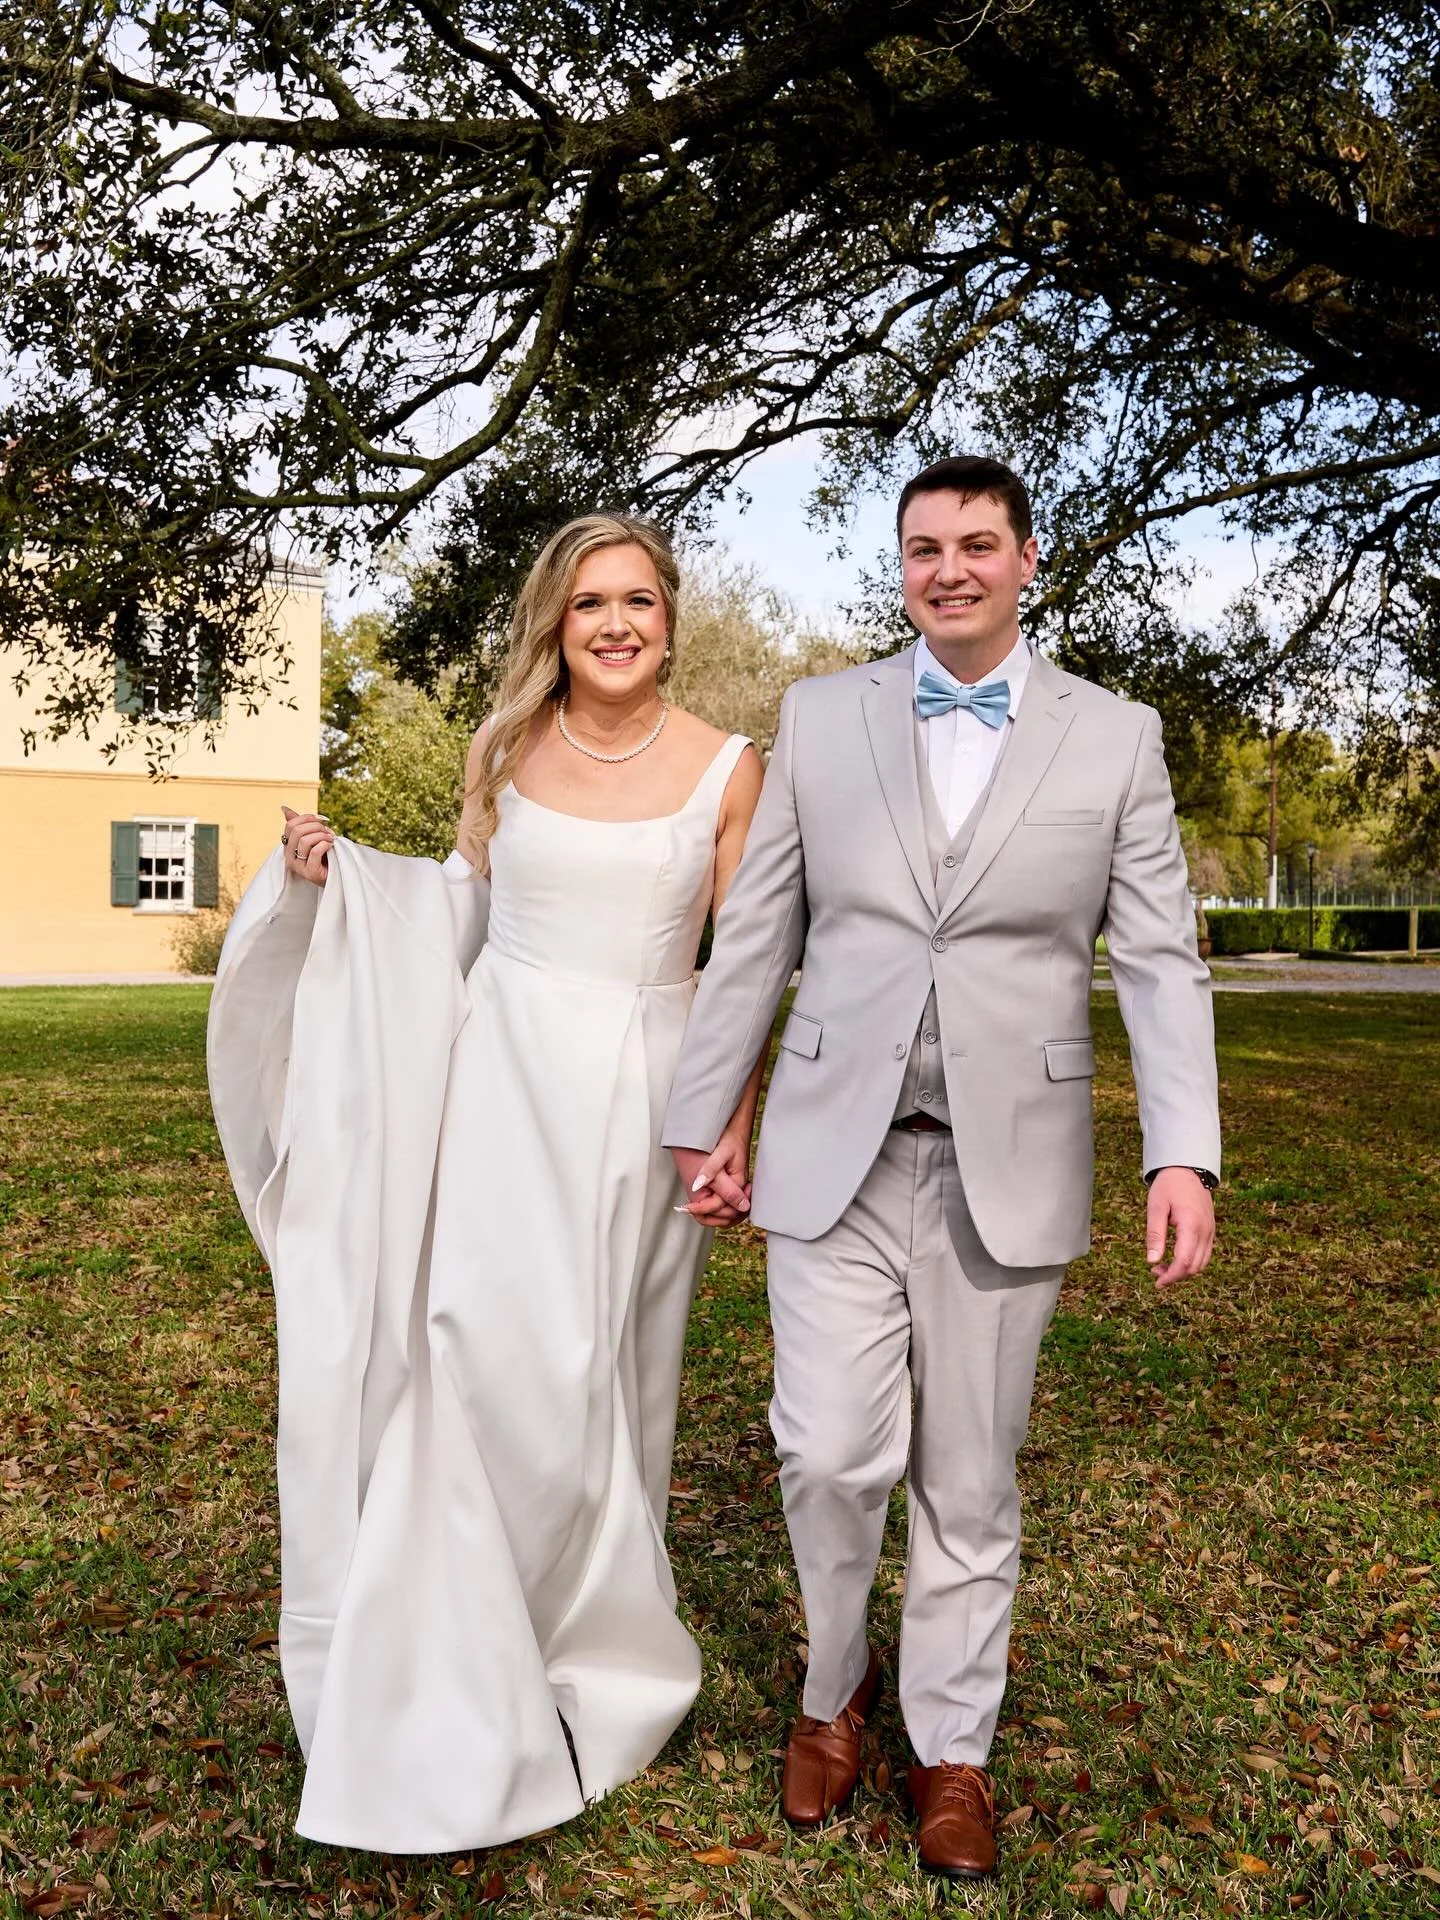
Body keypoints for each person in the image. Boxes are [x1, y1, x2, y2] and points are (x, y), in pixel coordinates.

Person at [663, 456, 1220, 1882]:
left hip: (1008, 1168)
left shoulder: (1118, 738)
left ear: (1031, 558)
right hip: (829, 1157)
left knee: (969, 1482)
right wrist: (701, 1110)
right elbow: (759, 938)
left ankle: (953, 1748)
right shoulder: (820, 718)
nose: (950, 569)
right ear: (900, 566)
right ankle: (831, 1687)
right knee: (828, 1454)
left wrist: (1185, 1154)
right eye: (924, 548)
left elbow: (1157, 960)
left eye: (979, 544)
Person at [208, 514, 763, 1853]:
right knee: (468, 1348)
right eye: (589, 606)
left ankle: (584, 1638)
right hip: (502, 1078)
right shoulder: (504, 751)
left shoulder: (735, 767)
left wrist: (732, 1120)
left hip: (649, 1091)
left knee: (602, 1371)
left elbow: (746, 961)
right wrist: (341, 888)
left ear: (671, 617)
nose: (616, 623)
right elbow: (457, 907)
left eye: (637, 599)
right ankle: (443, 1656)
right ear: (555, 626)